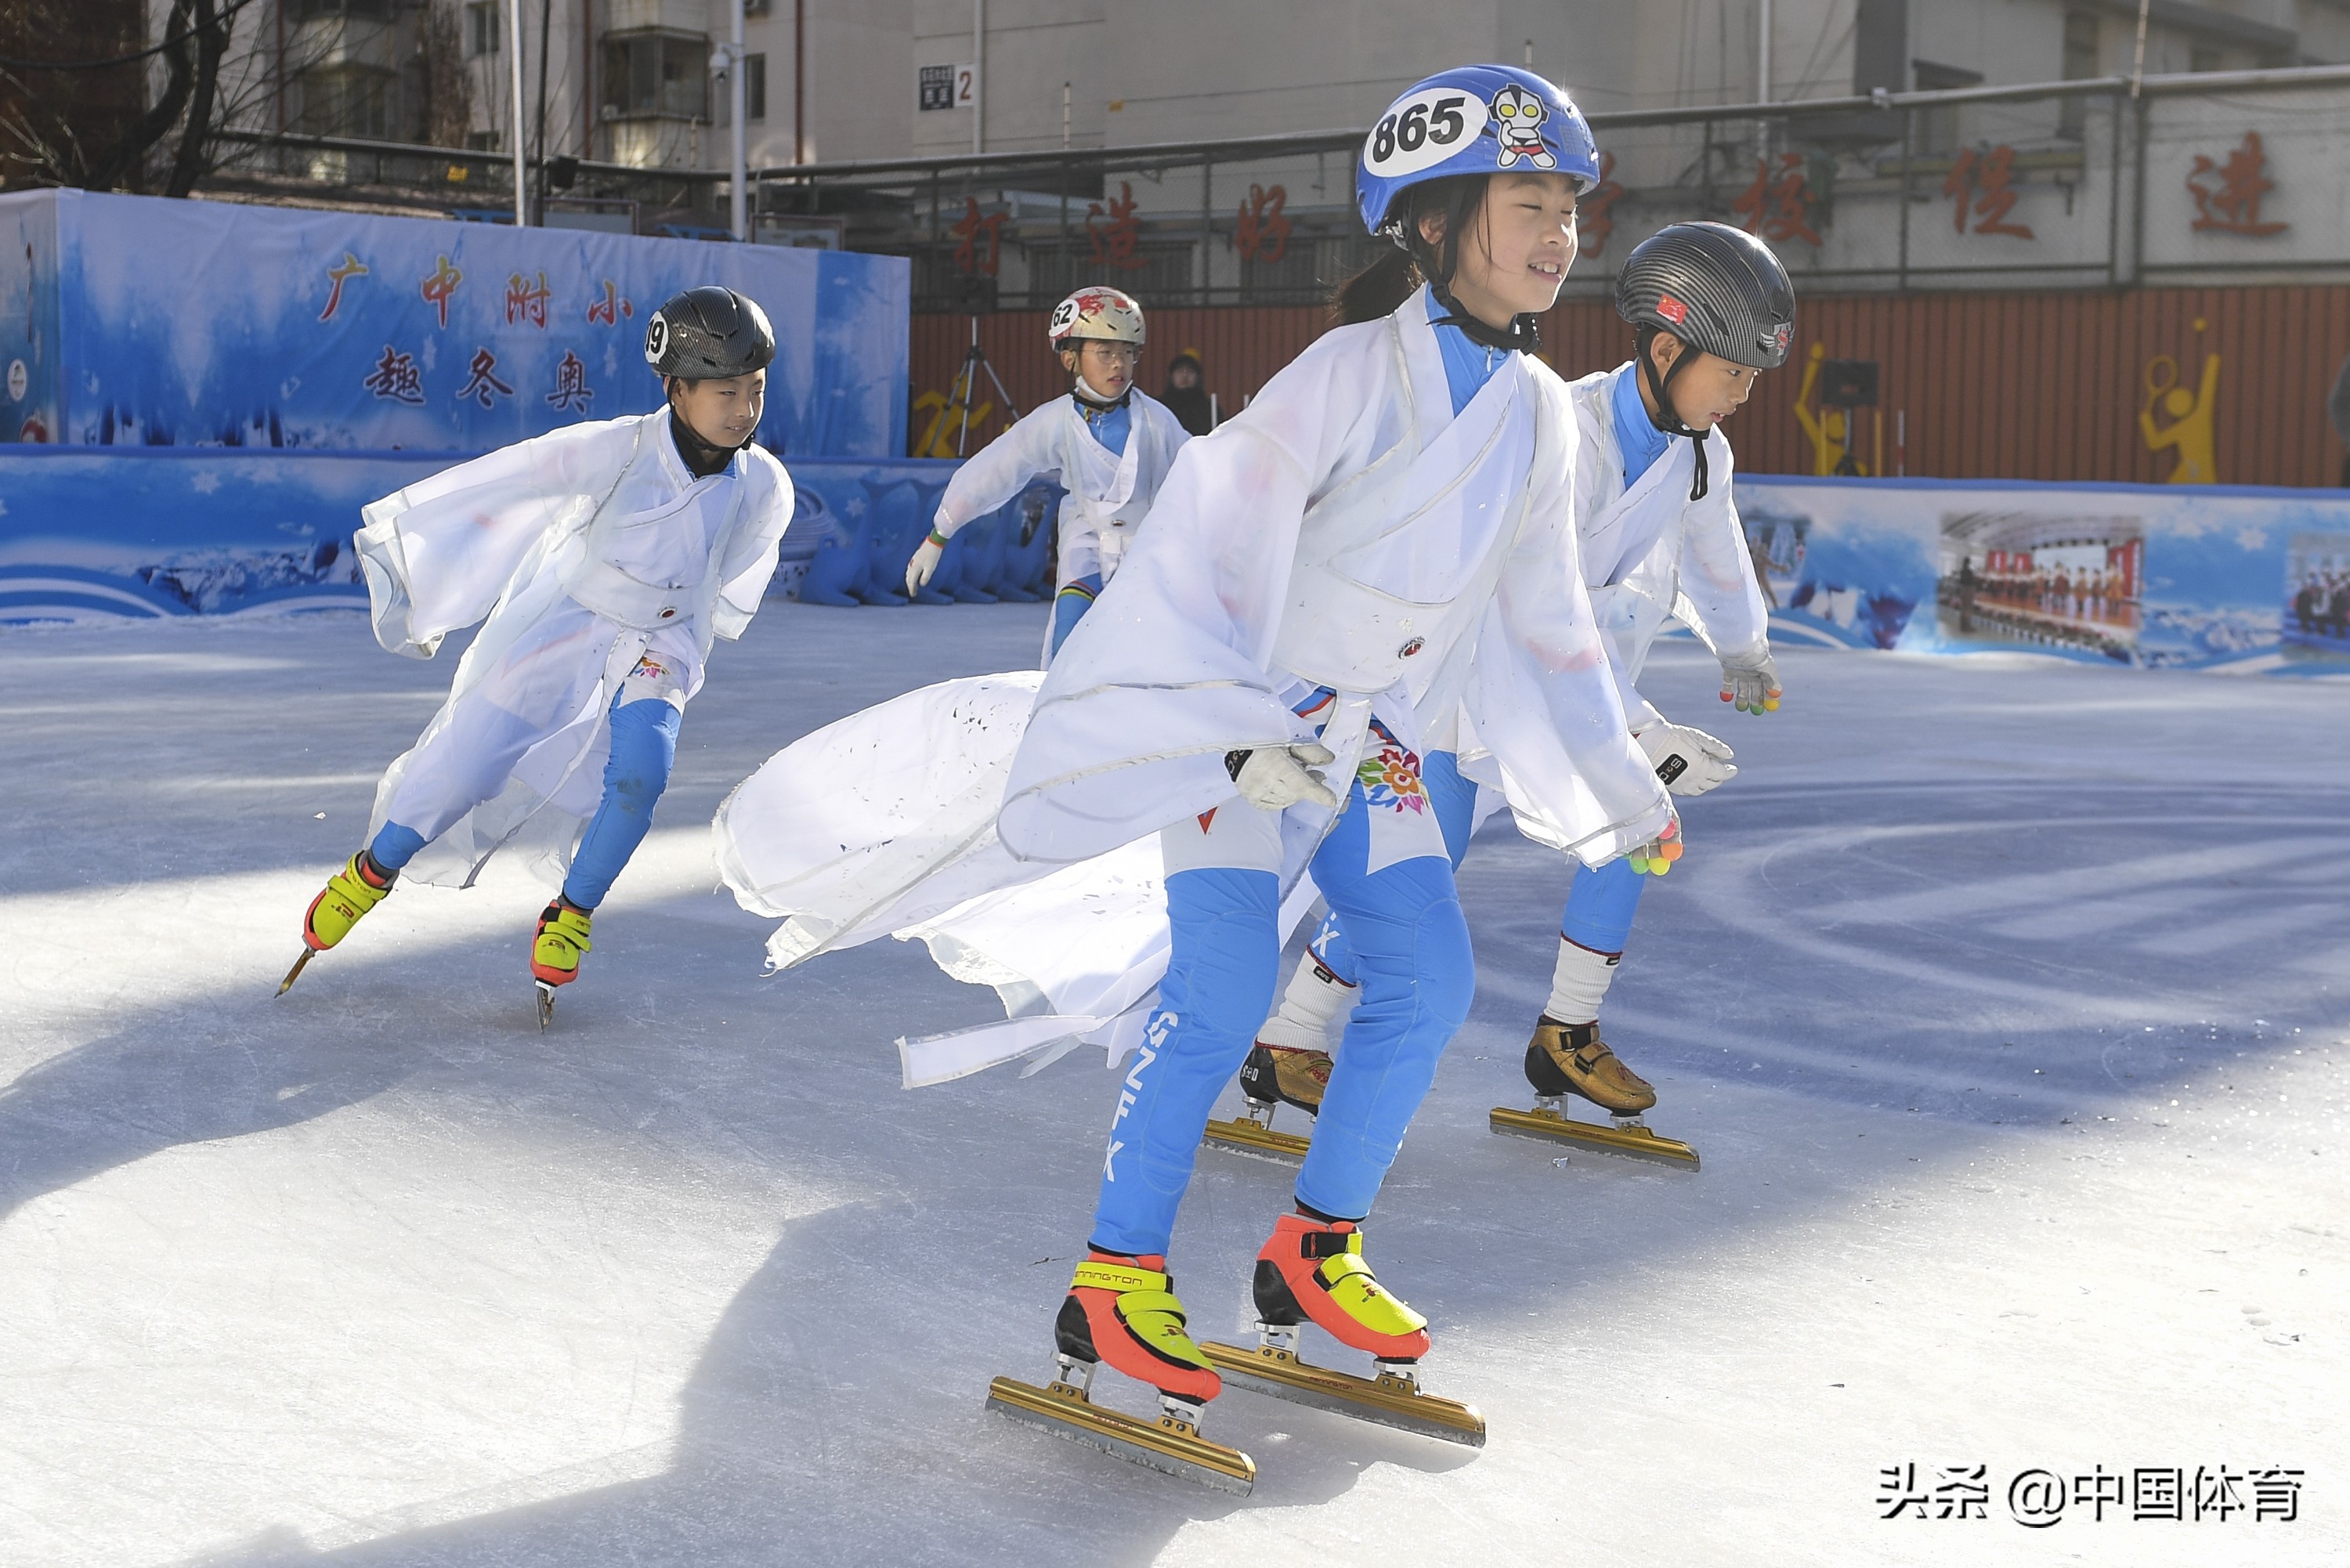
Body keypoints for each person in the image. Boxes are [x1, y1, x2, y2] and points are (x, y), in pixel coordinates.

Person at [712, 63, 1678, 1487]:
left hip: (1371, 735)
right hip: (1248, 723)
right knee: (1223, 989)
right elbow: (1206, 546)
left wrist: (1622, 771)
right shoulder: (1354, 370)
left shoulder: (1537, 407)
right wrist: (1223, 719)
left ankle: (1312, 1251)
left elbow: (1548, 618)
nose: (1559, 234)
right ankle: (1113, 1277)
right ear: (1434, 221)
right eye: (1529, 202)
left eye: (1569, 207)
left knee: (1429, 972)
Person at [1239, 221, 1793, 1171]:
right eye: (1734, 371)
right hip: (1462, 689)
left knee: (1633, 829)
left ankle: (1565, 1036)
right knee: (1424, 866)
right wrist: (1633, 731)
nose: (1745, 392)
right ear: (1666, 349)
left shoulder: (1701, 452)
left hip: (1566, 690)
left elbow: (1716, 553)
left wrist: (1745, 649)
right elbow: (1539, 613)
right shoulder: (1561, 437)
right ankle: (1289, 1037)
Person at [279, 286, 795, 1026]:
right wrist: (423, 575)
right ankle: (373, 869)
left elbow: (730, 568)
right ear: (676, 390)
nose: (745, 409)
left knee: (639, 778)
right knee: (468, 763)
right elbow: (508, 487)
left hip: (661, 643)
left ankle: (571, 914)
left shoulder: (763, 484)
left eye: (757, 390)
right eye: (726, 392)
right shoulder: (616, 450)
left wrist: (680, 630)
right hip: (570, 626)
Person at [904, 287, 1191, 660]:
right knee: (1067, 645)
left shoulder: (1157, 421)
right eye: (1105, 352)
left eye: (1127, 352)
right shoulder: (1055, 421)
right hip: (1086, 543)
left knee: (1153, 655)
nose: (1118, 364)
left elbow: (1200, 475)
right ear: (1070, 358)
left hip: (1149, 547)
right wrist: (939, 534)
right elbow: (996, 469)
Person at [1159, 350, 1215, 436]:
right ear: (1172, 376)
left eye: (1190, 371)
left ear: (1197, 377)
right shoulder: (1160, 406)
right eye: (1180, 371)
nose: (1184, 376)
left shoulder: (1209, 408)